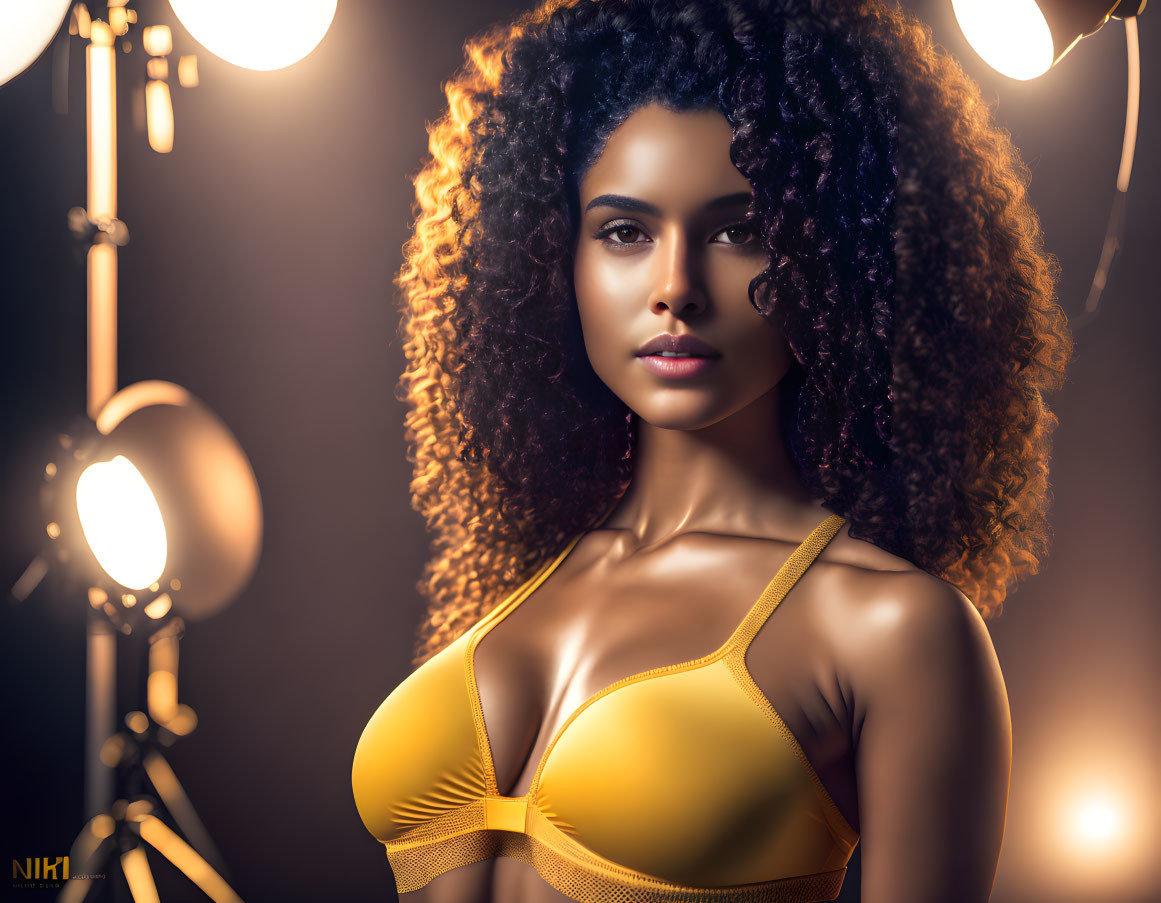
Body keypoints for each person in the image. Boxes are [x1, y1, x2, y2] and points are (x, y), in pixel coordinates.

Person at [352, 0, 1074, 900]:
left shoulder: (892, 631)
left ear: (834, 257)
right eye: (624, 231)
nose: (675, 289)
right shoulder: (520, 584)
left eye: (740, 231)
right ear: (552, 260)